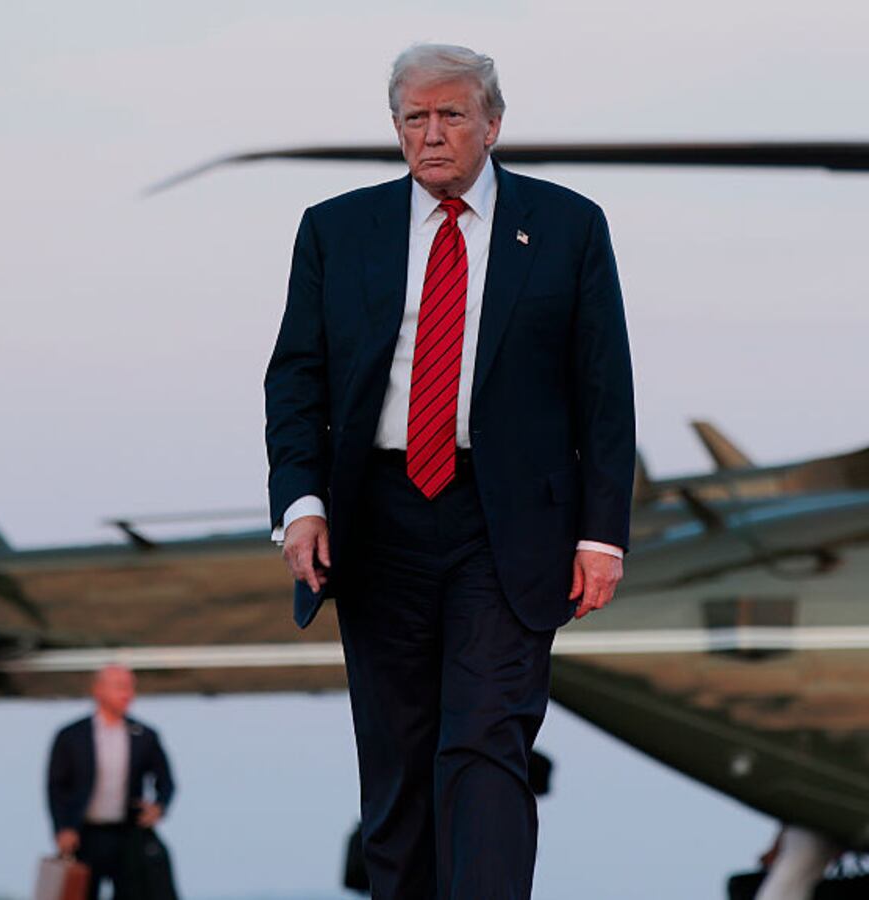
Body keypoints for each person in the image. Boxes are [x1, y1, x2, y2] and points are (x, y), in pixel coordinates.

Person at [264, 42, 635, 899]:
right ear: (396, 130)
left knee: (486, 739)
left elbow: (603, 390)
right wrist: (303, 503)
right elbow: (297, 378)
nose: (432, 134)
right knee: (397, 760)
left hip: (507, 521)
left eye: (452, 115)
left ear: (493, 125)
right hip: (376, 517)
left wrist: (602, 537)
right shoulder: (335, 228)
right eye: (415, 118)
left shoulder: (569, 226)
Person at [46, 664, 176, 898]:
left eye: (130, 687)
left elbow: (166, 780)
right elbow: (56, 788)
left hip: (128, 834)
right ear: (99, 690)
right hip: (85, 835)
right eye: (120, 687)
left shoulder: (144, 735)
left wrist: (159, 806)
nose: (127, 694)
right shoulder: (71, 736)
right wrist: (62, 828)